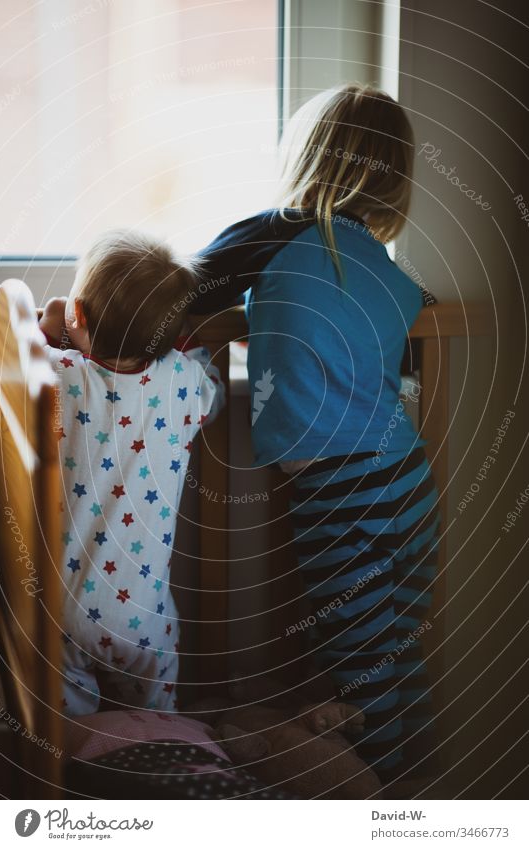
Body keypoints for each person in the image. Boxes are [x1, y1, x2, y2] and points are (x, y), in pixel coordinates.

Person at [190, 83, 439, 785]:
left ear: (307, 162)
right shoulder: (396, 278)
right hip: (411, 484)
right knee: (399, 656)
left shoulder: (273, 232)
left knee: (364, 673)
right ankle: (424, 780)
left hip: (342, 495)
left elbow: (183, 284)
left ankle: (386, 801)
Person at [39, 229, 224, 716]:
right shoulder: (183, 383)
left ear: (78, 315)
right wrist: (186, 340)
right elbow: (215, 386)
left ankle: (69, 781)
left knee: (68, 738)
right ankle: (157, 770)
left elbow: (19, 349)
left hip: (63, 614)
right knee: (158, 723)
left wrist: (53, 320)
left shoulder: (59, 376)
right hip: (145, 619)